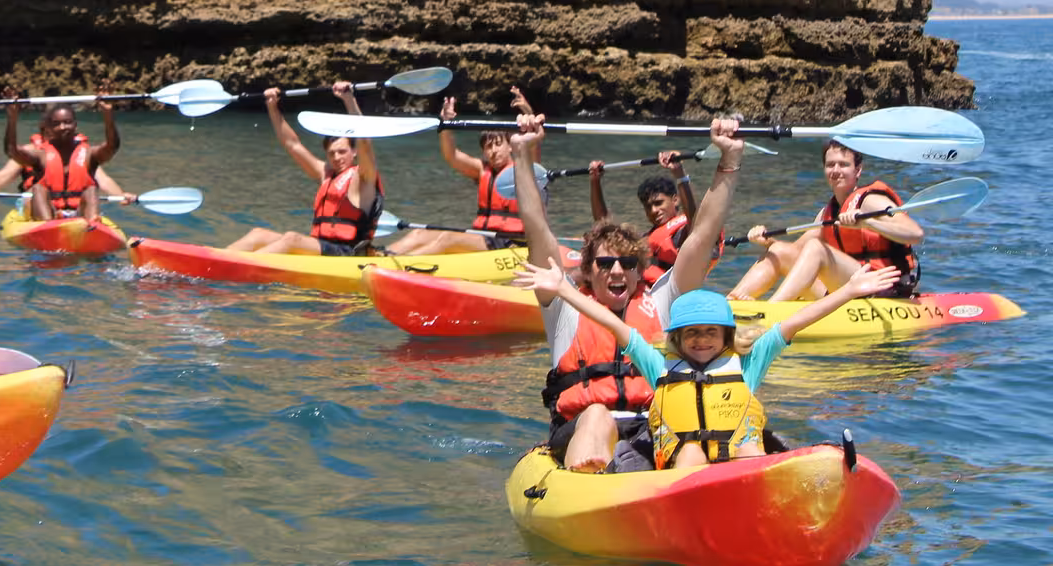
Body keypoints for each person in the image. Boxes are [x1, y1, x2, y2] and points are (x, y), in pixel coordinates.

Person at [509, 112, 749, 472]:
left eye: (627, 263)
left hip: (650, 428)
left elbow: (701, 238)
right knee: (596, 416)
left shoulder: (662, 301)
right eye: (606, 265)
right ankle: (592, 492)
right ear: (589, 271)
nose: (618, 271)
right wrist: (521, 155)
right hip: (582, 428)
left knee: (692, 442)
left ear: (639, 271)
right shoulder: (565, 306)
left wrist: (728, 161)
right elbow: (536, 227)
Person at [518, 264, 901, 468]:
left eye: (711, 332)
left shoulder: (748, 364)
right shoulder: (660, 367)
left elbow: (794, 322)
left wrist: (848, 291)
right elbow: (617, 327)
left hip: (740, 464)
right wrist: (566, 290)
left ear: (726, 335)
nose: (702, 339)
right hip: (687, 474)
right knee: (689, 454)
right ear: (678, 339)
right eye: (692, 333)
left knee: (750, 448)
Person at [728, 140, 923, 302]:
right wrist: (767, 242)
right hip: (848, 287)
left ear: (858, 170)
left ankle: (770, 312)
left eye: (843, 164)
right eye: (830, 165)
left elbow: (915, 234)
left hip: (882, 288)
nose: (835, 170)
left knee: (816, 247)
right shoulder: (827, 213)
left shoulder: (871, 201)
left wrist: (868, 223)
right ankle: (732, 302)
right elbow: (795, 253)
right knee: (778, 251)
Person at [225, 81, 383, 255]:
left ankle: (237, 266)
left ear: (353, 152)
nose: (337, 157)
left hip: (348, 252)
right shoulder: (326, 174)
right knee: (258, 234)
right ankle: (213, 258)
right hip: (321, 245)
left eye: (342, 151)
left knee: (292, 238)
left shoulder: (364, 176)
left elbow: (365, 143)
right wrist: (272, 107)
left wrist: (349, 99)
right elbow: (292, 144)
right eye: (331, 153)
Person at [381, 89, 532, 256]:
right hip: (484, 236)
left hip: (508, 242)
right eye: (488, 147)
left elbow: (534, 144)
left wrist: (528, 112)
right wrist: (445, 124)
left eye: (497, 144)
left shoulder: (524, 171)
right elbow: (451, 156)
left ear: (510, 145)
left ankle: (400, 264)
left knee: (448, 238)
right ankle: (381, 255)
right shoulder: (482, 170)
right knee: (419, 233)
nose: (493, 151)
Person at [0, 95, 123, 224]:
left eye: (67, 122)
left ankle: (92, 224)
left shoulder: (89, 153)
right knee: (38, 188)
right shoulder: (40, 154)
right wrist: (12, 118)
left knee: (90, 189)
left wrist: (108, 114)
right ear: (49, 128)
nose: (63, 127)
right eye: (57, 124)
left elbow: (112, 147)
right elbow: (11, 151)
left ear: (75, 125)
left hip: (80, 213)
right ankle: (48, 226)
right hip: (49, 213)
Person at [587, 152, 703, 285]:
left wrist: (680, 174)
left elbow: (696, 221)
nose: (654, 210)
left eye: (659, 203)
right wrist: (595, 181)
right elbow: (605, 228)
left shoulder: (684, 232)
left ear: (675, 200)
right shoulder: (645, 239)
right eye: (648, 206)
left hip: (672, 295)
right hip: (641, 293)